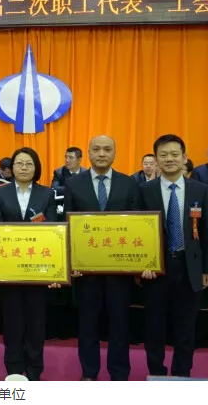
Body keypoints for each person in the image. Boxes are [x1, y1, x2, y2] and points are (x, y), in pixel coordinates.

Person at [64, 135, 140, 381]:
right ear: (88, 153)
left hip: (120, 270)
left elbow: (138, 225)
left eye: (107, 149)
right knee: (88, 326)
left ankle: (119, 374)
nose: (102, 154)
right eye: (96, 149)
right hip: (86, 271)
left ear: (115, 153)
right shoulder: (73, 184)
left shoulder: (129, 183)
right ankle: (89, 373)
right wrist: (71, 262)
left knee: (120, 325)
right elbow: (67, 226)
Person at [139, 134, 208, 378]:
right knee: (154, 327)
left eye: (174, 154)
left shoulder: (199, 190)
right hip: (156, 269)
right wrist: (142, 265)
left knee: (185, 328)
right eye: (163, 155)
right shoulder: (144, 191)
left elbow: (207, 231)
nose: (169, 159)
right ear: (156, 159)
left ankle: (182, 374)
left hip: (189, 267)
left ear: (184, 157)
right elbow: (138, 232)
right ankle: (156, 373)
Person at [0, 147, 59, 381]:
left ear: (36, 168)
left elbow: (53, 230)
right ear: (12, 167)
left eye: (29, 163)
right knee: (12, 322)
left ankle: (34, 370)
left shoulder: (46, 194)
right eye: (19, 163)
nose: (23, 168)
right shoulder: (1, 194)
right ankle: (13, 369)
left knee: (36, 323)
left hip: (37, 269)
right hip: (9, 270)